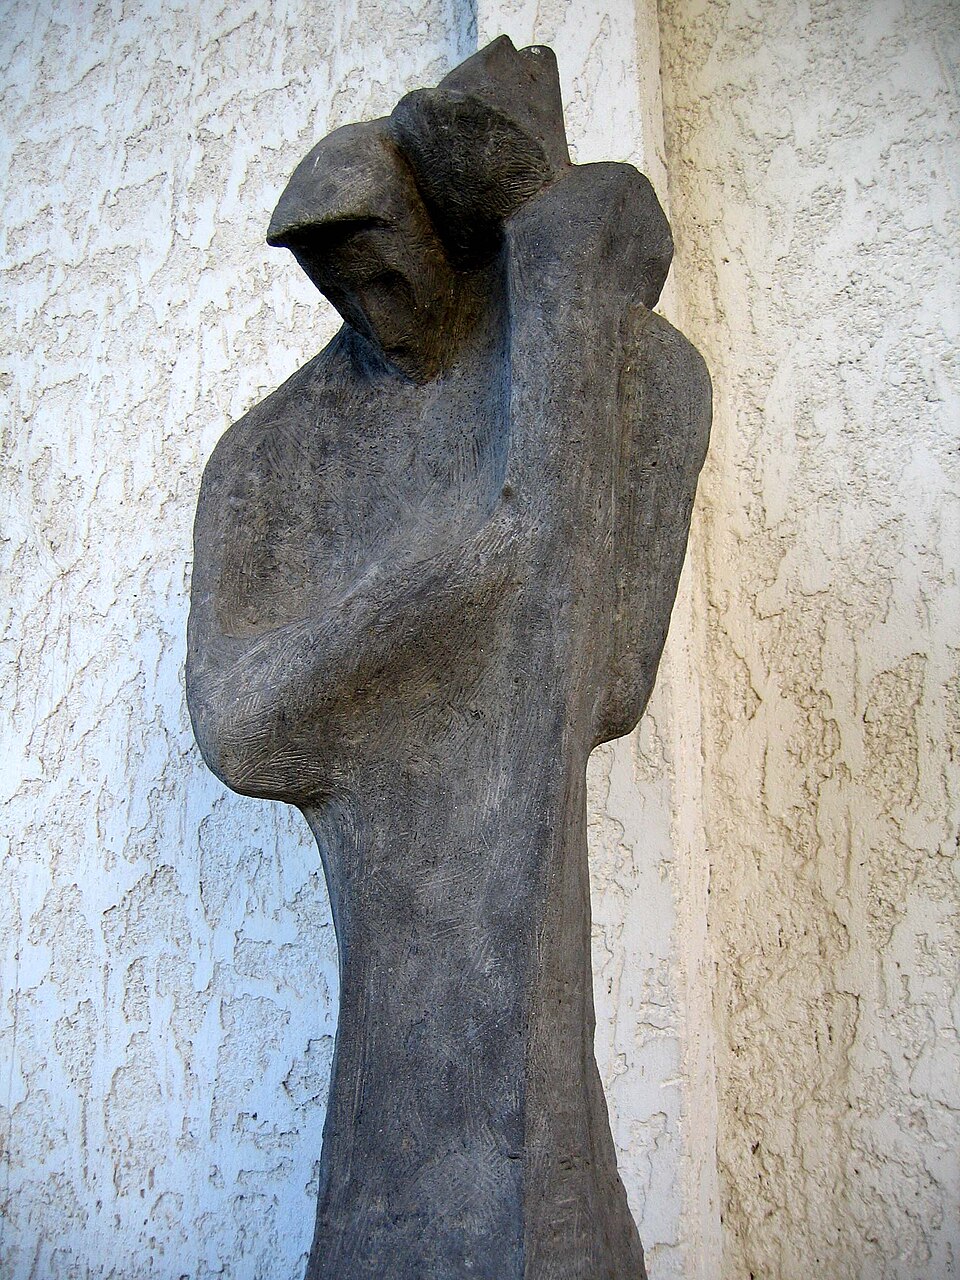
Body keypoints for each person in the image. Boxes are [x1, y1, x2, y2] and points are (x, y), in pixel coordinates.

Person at [186, 36, 710, 1280]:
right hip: (394, 959)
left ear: (447, 232)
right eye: (334, 277)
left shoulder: (641, 378)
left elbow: (608, 677)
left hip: (528, 974)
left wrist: (568, 311)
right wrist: (467, 575)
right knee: (401, 1179)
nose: (365, 300)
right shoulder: (269, 458)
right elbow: (241, 726)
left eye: (383, 261)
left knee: (548, 1185)